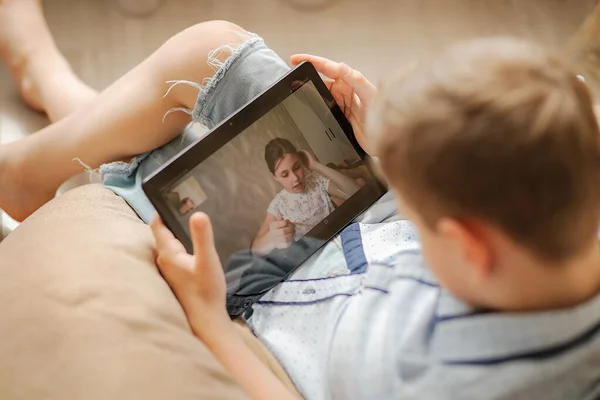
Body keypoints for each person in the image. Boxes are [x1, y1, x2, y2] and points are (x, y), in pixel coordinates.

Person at [1, 2, 599, 400]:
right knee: (213, 51)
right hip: (355, 236)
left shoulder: (441, 382)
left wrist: (210, 318)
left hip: (277, 309)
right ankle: (55, 106)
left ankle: (48, 113)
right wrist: (385, 145)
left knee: (164, 180)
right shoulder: (568, 195)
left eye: (419, 207)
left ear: (470, 245)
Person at [251, 138, 361, 255]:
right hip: (313, 255)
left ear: (301, 162)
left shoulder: (316, 181)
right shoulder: (279, 204)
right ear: (276, 178)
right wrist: (271, 238)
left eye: (297, 167)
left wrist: (315, 165)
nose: (295, 178)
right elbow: (254, 250)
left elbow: (356, 191)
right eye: (285, 174)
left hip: (341, 239)